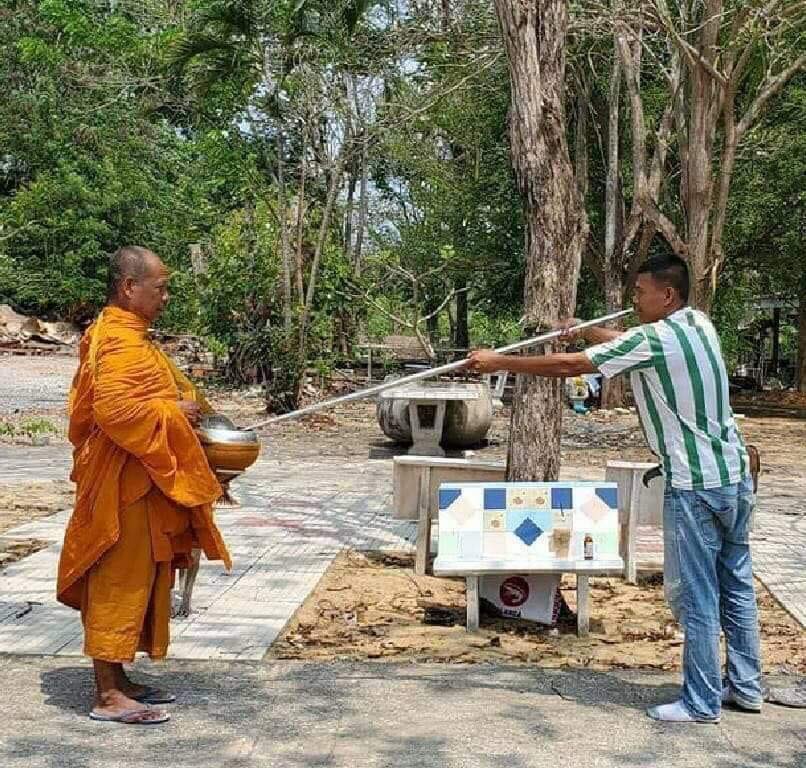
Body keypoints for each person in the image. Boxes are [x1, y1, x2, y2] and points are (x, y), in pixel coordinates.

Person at [467, 254, 762, 723]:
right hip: (736, 479)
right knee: (737, 585)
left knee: (699, 594)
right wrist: (585, 328)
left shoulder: (656, 337)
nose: (633, 301)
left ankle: (701, 703)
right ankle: (746, 688)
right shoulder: (697, 325)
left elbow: (573, 368)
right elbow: (624, 344)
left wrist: (497, 361)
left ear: (666, 295)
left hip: (695, 487)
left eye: (640, 293)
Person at [57, 246, 231, 725]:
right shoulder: (117, 340)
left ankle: (120, 677)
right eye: (160, 288)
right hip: (122, 484)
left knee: (144, 574)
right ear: (130, 288)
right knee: (120, 575)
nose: (166, 297)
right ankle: (107, 695)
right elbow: (115, 413)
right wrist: (173, 413)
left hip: (142, 479)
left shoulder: (132, 336)